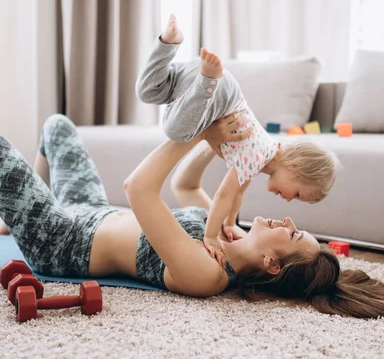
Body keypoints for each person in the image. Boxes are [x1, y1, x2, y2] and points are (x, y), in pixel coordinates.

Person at [0, 113, 384, 318]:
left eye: (293, 233)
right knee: (57, 126)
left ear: (269, 265)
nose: (286, 222)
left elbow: (142, 189)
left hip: (61, 240)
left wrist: (194, 125)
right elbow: (183, 184)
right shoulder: (223, 232)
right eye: (295, 221)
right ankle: (12, 216)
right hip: (89, 210)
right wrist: (230, 143)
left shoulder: (208, 273)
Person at [136, 14, 340, 251]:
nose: (287, 200)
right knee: (175, 130)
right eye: (295, 193)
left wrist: (231, 223)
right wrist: (211, 236)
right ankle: (206, 81)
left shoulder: (262, 155)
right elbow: (224, 195)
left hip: (206, 89)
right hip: (219, 92)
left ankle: (168, 43)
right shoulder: (256, 158)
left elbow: (237, 195)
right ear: (296, 168)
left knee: (148, 92)